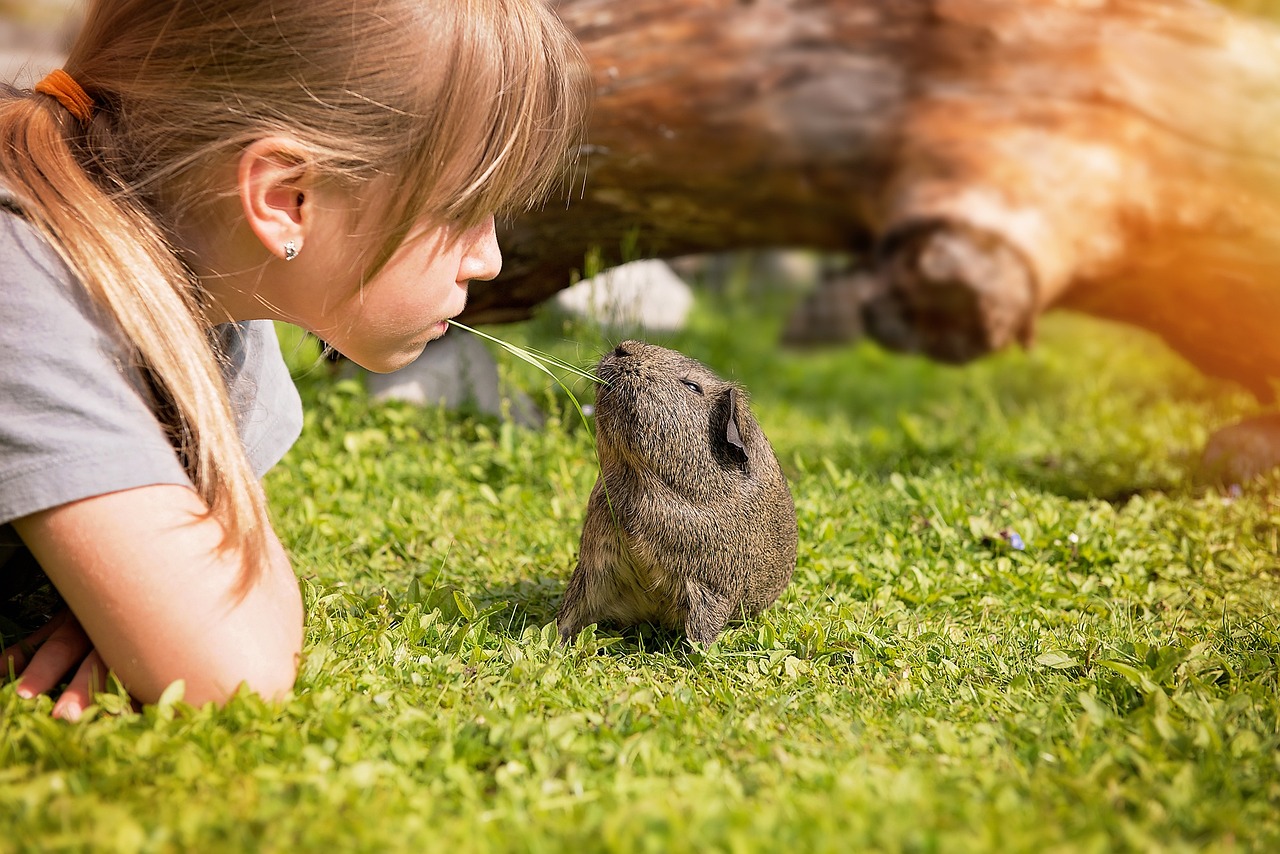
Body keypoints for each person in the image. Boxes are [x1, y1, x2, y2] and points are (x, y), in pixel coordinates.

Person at [0, 0, 590, 721]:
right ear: (284, 199)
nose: (489, 258)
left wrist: (142, 594)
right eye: (463, 207)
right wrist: (179, 611)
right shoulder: (23, 280)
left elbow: (212, 586)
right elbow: (233, 671)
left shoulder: (219, 288)